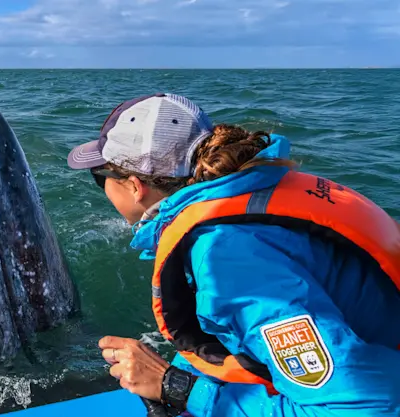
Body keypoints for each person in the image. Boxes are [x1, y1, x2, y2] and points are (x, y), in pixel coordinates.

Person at [66, 93, 400, 416]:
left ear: (136, 186)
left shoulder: (227, 256)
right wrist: (182, 368)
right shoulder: (255, 192)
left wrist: (175, 387)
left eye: (101, 177)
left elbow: (363, 409)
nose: (101, 186)